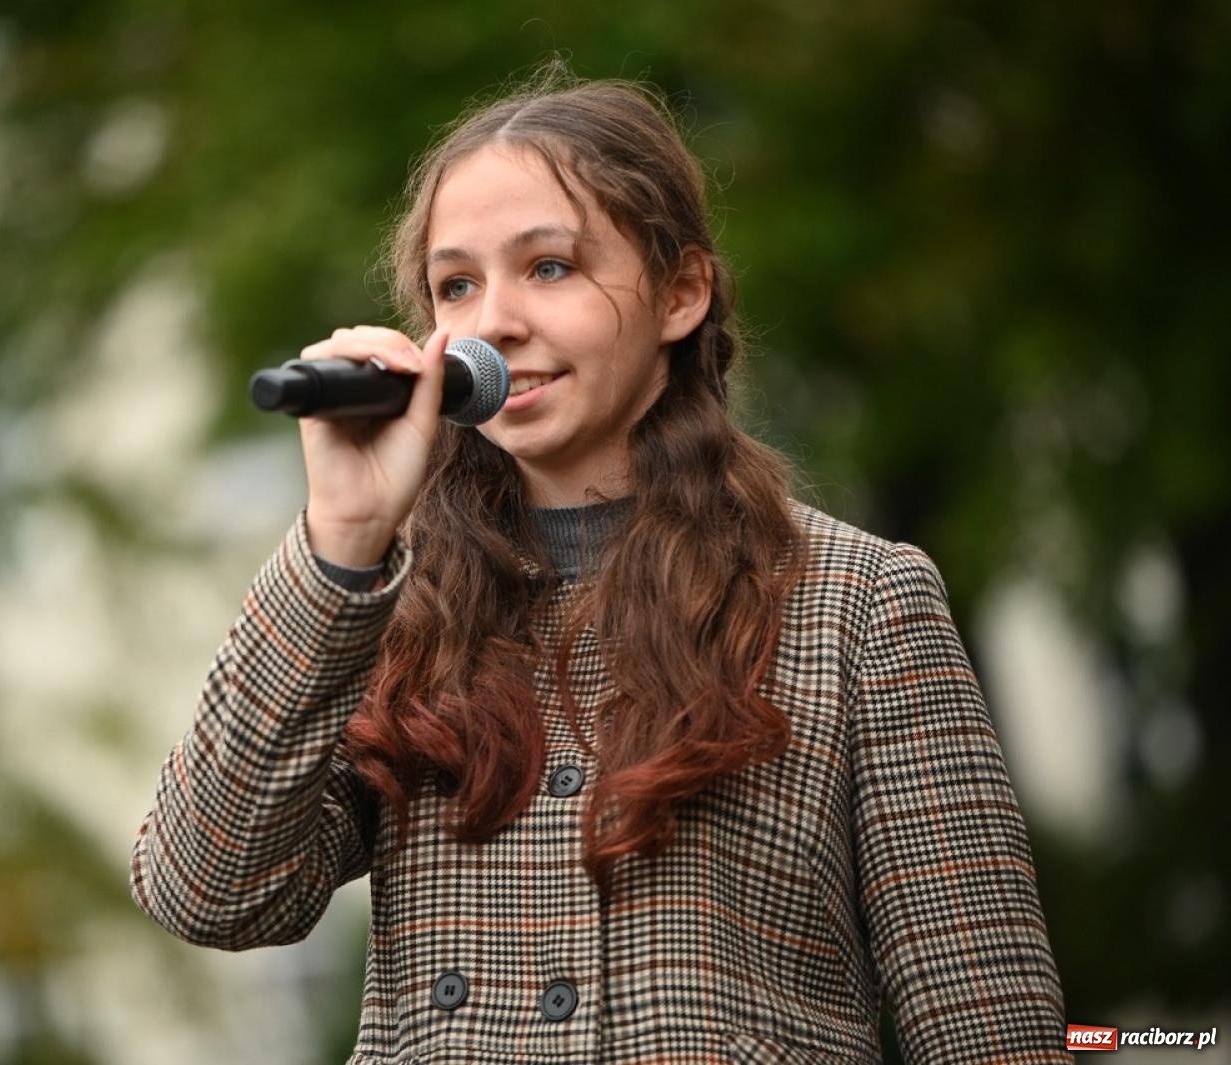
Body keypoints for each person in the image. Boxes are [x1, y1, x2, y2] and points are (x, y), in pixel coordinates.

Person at [130, 63, 1071, 1064]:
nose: (494, 321)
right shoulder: (388, 610)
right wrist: (342, 541)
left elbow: (989, 1025)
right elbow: (207, 892)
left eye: (549, 267)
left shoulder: (854, 601)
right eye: (457, 285)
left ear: (680, 293)